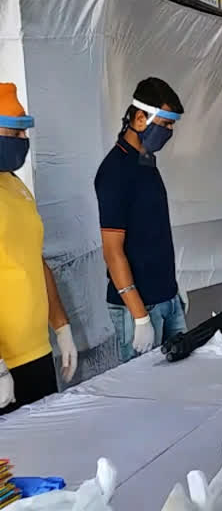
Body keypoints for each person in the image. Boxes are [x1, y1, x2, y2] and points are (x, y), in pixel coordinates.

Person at [95, 77, 187, 363]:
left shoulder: (147, 163)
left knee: (181, 383)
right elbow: (112, 251)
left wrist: (173, 291)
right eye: (165, 124)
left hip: (168, 299)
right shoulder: (114, 171)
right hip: (139, 307)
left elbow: (153, 233)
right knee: (145, 396)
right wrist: (139, 316)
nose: (170, 132)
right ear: (139, 118)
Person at [0, 83, 78, 414]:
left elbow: (35, 258)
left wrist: (61, 326)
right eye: (14, 133)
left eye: (24, 134)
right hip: (7, 362)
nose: (23, 143)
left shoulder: (15, 186)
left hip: (36, 351)